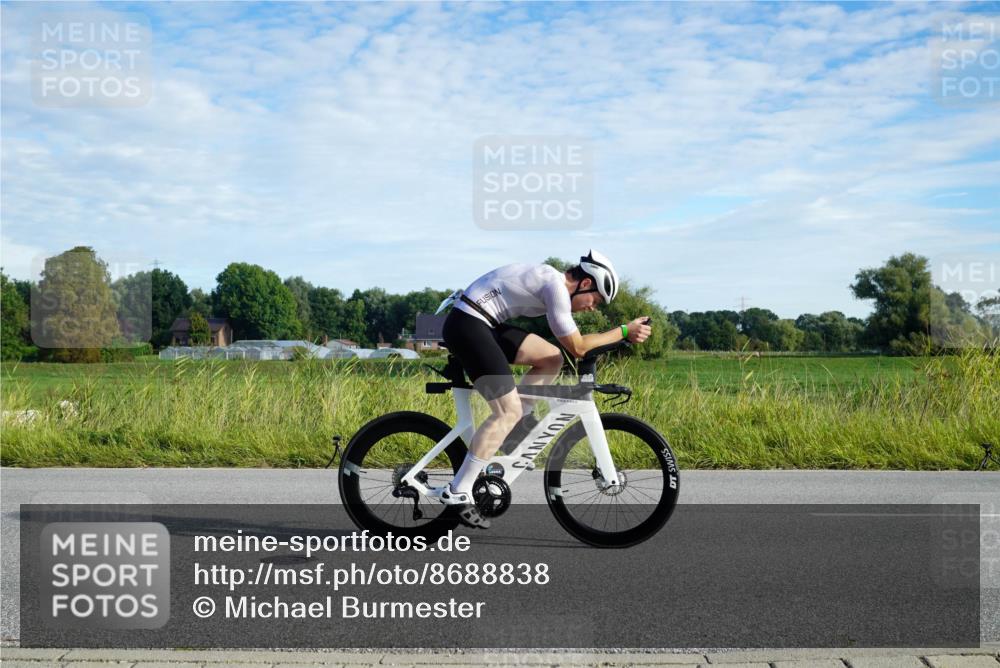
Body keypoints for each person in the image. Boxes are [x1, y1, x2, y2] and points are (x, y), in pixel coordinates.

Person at [436, 250, 652, 528]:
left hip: (483, 322)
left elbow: (567, 351)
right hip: (468, 325)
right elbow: (579, 348)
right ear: (586, 284)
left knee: (551, 358)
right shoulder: (556, 288)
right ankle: (458, 491)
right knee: (506, 411)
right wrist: (623, 331)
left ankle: (516, 428)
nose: (592, 307)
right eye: (596, 300)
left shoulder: (551, 282)